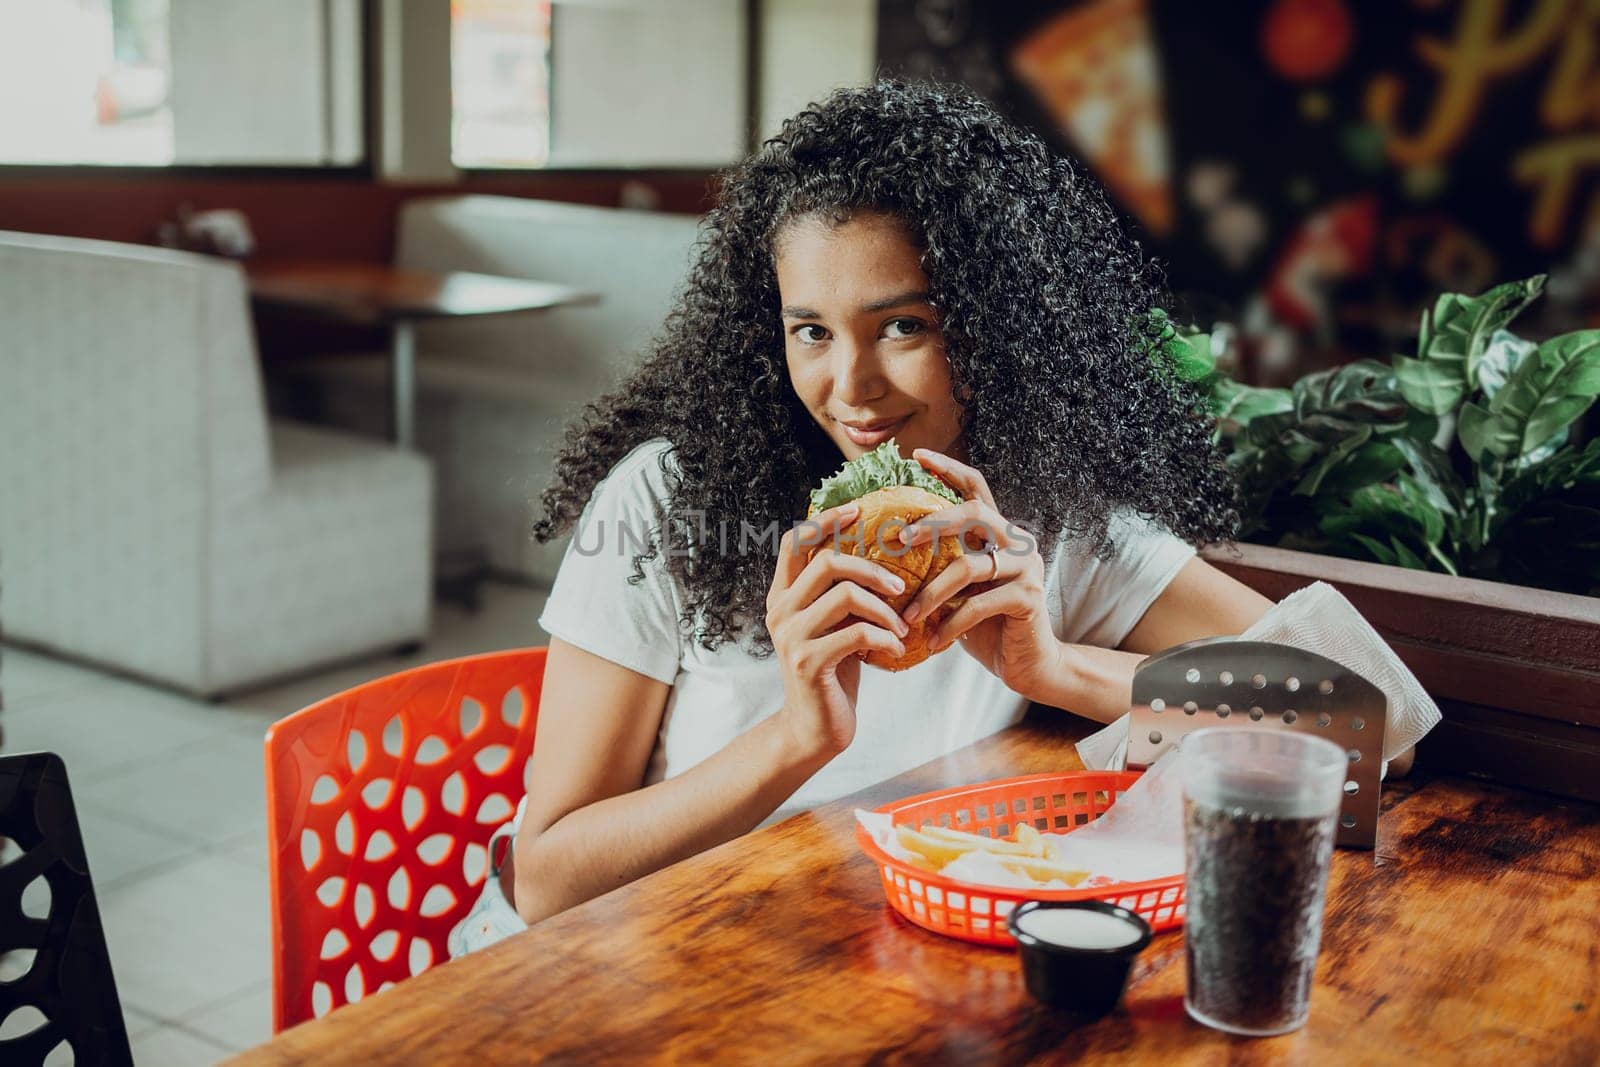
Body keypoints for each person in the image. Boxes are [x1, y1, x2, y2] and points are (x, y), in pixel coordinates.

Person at [448, 79, 1279, 956]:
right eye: (811, 330)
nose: (849, 387)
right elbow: (544, 881)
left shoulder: (1048, 516)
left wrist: (1060, 667)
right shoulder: (667, 501)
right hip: (603, 970)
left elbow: (1368, 721)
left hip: (854, 971)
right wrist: (797, 737)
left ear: (998, 325)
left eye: (903, 326)